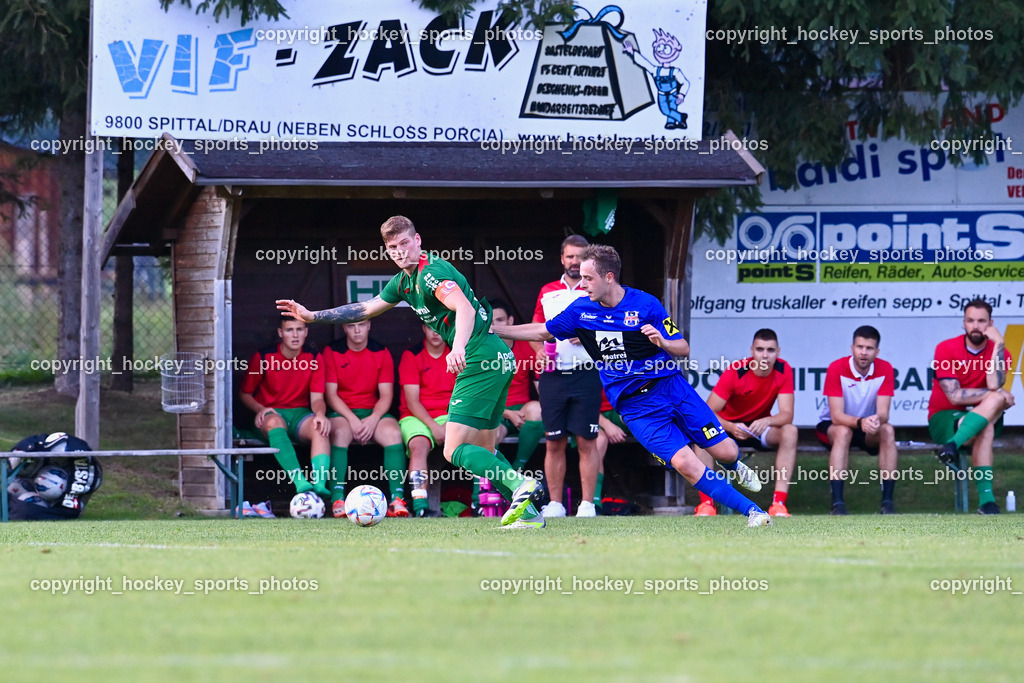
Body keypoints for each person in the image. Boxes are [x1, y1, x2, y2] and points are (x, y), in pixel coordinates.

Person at [277, 215, 545, 528]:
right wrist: (313, 316)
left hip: (478, 356)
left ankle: (520, 486)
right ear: (388, 251)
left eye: (406, 243)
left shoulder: (430, 273)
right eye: (393, 247)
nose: (401, 251)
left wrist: (457, 348)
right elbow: (365, 308)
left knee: (454, 449)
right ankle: (527, 515)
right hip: (497, 356)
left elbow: (465, 308)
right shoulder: (403, 283)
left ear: (417, 241)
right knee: (483, 449)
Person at [494, 244, 770, 527]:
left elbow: (683, 347)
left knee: (726, 452)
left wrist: (662, 342)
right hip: (636, 408)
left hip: (672, 388)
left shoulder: (646, 304)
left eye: (589, 278)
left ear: (609, 277)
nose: (582, 284)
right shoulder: (580, 310)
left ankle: (734, 465)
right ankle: (754, 512)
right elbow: (542, 330)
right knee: (686, 464)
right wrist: (494, 329)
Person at [531, 234, 602, 518]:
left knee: (586, 441)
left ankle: (587, 504)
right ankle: (556, 504)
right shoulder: (547, 291)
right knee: (554, 442)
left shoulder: (596, 289)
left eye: (580, 256)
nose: (575, 262)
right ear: (562, 258)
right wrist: (538, 350)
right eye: (570, 256)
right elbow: (536, 327)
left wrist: (587, 334)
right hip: (554, 376)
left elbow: (612, 324)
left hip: (587, 374)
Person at [695, 329, 797, 517]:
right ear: (752, 351)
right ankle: (706, 505)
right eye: (760, 349)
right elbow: (707, 412)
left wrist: (767, 420)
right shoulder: (736, 370)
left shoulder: (784, 369)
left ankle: (779, 503)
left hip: (758, 428)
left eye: (770, 350)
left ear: (778, 352)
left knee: (790, 431)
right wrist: (731, 427)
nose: (765, 355)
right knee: (702, 431)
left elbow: (787, 415)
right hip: (728, 429)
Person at [929, 299, 1015, 515]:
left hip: (982, 419)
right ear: (963, 323)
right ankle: (987, 500)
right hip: (945, 417)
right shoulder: (945, 348)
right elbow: (955, 395)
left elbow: (994, 383)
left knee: (989, 416)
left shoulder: (1002, 352)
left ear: (991, 323)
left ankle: (950, 447)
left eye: (981, 321)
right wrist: (996, 395)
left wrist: (999, 345)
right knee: (995, 401)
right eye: (970, 320)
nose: (975, 326)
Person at [317, 320, 406, 518]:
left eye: (362, 324)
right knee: (339, 433)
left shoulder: (381, 352)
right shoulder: (332, 352)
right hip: (342, 413)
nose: (357, 330)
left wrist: (374, 418)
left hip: (372, 412)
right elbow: (331, 395)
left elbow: (386, 395)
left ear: (369, 325)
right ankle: (338, 498)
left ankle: (397, 499)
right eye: (351, 326)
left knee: (393, 433)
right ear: (344, 328)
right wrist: (352, 420)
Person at [239, 318, 331, 498]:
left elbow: (317, 398)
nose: (295, 335)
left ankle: (319, 484)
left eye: (299, 330)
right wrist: (260, 408)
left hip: (299, 414)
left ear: (306, 332)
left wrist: (320, 414)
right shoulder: (264, 357)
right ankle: (300, 481)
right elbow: (245, 393)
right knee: (274, 422)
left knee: (320, 427)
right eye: (289, 330)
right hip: (270, 414)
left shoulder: (314, 357)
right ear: (280, 333)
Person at [816, 326, 898, 515]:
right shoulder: (836, 368)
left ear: (877, 352)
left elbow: (884, 413)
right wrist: (861, 422)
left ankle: (888, 503)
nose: (863, 352)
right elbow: (836, 416)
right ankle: (837, 504)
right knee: (843, 432)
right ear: (852, 348)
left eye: (869, 348)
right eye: (860, 347)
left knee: (888, 430)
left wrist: (876, 420)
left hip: (866, 426)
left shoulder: (885, 368)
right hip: (834, 426)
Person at [397, 324, 457, 517]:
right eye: (431, 327)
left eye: (440, 328)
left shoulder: (456, 354)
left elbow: (463, 396)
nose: (436, 332)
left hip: (450, 414)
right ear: (423, 328)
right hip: (416, 416)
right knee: (419, 444)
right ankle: (420, 507)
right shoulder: (412, 355)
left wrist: (448, 424)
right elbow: (412, 402)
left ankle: (479, 501)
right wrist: (434, 428)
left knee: (474, 437)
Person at [489, 299, 546, 473]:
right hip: (494, 412)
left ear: (510, 322)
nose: (494, 326)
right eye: (490, 322)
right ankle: (484, 492)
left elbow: (541, 386)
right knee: (490, 434)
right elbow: (479, 396)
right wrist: (506, 413)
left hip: (522, 411)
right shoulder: (482, 349)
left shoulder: (526, 347)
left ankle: (517, 469)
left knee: (539, 410)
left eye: (499, 320)